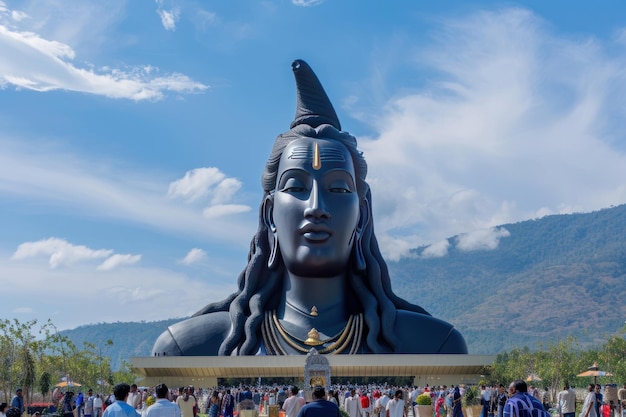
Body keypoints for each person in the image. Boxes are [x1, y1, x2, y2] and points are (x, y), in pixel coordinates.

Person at [151, 59, 467, 356]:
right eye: (296, 186)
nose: (316, 207)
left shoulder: (431, 344)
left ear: (363, 215)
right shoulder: (194, 346)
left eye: (339, 188)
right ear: (269, 213)